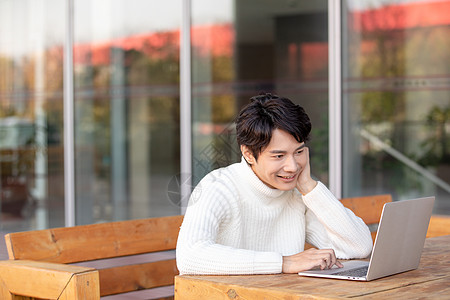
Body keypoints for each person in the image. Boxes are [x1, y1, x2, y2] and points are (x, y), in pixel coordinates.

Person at [176, 93, 373, 275]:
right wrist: (284, 263)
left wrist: (308, 187)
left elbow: (359, 247)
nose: (292, 167)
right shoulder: (219, 187)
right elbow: (189, 256)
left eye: (299, 152)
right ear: (248, 154)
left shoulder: (298, 193)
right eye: (279, 156)